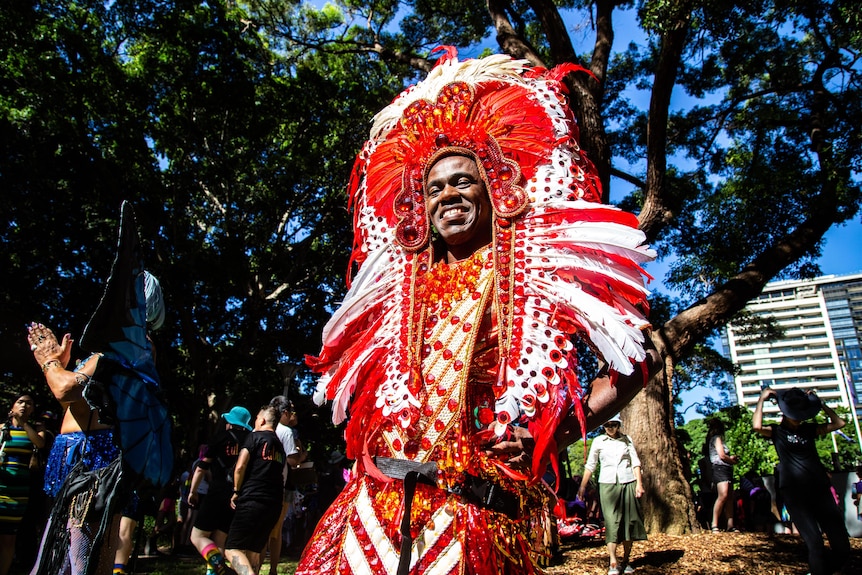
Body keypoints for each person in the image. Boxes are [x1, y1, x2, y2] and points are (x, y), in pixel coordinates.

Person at [298, 50, 657, 575]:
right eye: (435, 187)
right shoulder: (395, 284)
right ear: (419, 205)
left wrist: (548, 436)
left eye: (463, 181)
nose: (449, 195)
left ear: (494, 188)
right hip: (372, 513)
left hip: (476, 515)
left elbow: (638, 357)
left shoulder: (538, 263)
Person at [752, 387, 850, 575]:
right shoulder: (776, 431)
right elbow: (757, 426)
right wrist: (762, 400)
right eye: (793, 414)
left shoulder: (809, 429)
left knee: (842, 547)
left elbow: (840, 423)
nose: (797, 418)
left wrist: (819, 403)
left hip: (820, 490)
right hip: (795, 493)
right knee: (815, 543)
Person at [188, 407, 252, 575]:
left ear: (230, 423)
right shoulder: (250, 441)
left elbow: (201, 468)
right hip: (236, 496)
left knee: (198, 536)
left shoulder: (218, 439)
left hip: (217, 492)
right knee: (219, 541)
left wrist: (192, 492)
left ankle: (221, 568)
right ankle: (214, 572)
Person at [577, 419, 646, 575]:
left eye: (613, 425)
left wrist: (639, 484)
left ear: (619, 425)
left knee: (629, 522)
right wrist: (582, 486)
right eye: (607, 425)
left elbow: (635, 462)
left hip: (628, 482)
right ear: (603, 426)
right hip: (607, 484)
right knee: (612, 522)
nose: (610, 428)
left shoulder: (627, 440)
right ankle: (613, 561)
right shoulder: (599, 441)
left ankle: (626, 560)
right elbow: (591, 464)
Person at [225, 406, 286, 575]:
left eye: (256, 418)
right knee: (253, 552)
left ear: (262, 420)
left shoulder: (254, 437)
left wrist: (236, 491)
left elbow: (240, 466)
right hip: (273, 505)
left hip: (252, 500)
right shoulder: (280, 447)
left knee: (232, 549)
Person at [0, 394, 47, 575]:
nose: (24, 405)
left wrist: (24, 423)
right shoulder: (2, 429)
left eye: (29, 403)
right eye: (20, 402)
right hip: (1, 485)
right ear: (12, 406)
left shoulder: (36, 428)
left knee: (8, 538)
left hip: (19, 491)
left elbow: (40, 443)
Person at [264, 397, 306, 573]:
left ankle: (255, 566)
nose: (293, 415)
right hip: (282, 485)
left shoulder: (263, 428)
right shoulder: (286, 432)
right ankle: (273, 569)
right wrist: (303, 455)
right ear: (285, 413)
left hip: (262, 483)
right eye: (291, 411)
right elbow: (292, 459)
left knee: (263, 528)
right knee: (276, 530)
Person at [704, 418, 739, 532]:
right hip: (720, 468)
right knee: (723, 495)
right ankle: (715, 524)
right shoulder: (716, 439)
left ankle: (730, 524)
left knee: (729, 497)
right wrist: (732, 460)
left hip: (726, 468)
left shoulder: (717, 440)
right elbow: (722, 455)